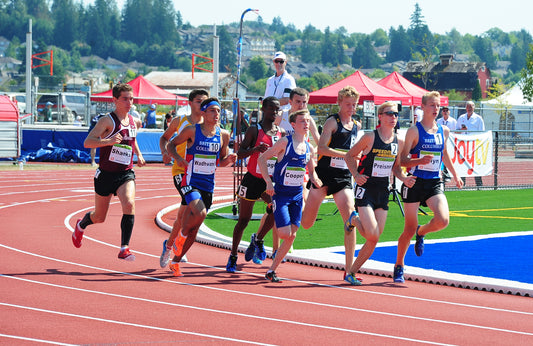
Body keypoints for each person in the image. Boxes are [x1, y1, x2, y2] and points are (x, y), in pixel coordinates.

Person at [393, 91, 463, 283]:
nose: (436, 109)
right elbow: (403, 160)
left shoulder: (443, 130)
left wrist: (455, 174)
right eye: (432, 105)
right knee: (408, 229)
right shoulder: (414, 131)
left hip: (434, 182)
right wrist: (419, 159)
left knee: (443, 220)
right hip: (415, 182)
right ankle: (399, 265)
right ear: (422, 107)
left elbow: (445, 154)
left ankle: (421, 232)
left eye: (438, 105)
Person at [344, 102, 416, 285]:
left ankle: (351, 272)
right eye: (389, 113)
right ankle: (354, 219)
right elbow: (349, 156)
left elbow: (397, 168)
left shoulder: (398, 142)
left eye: (396, 114)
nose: (394, 117)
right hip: (365, 189)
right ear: (380, 116)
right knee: (373, 235)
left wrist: (404, 178)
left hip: (383, 191)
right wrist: (356, 174)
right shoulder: (369, 137)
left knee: (374, 239)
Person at [72, 83, 146, 261]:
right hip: (105, 174)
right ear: (115, 100)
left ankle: (124, 248)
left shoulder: (135, 121)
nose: (129, 102)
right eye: (125, 99)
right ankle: (81, 225)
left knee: (129, 204)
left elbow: (131, 139)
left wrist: (139, 155)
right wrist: (108, 141)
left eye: (131, 99)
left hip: (125, 173)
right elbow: (87, 142)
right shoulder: (107, 121)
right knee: (99, 217)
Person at [165, 97, 236, 276]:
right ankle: (180, 237)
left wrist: (229, 160)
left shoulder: (224, 135)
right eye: (212, 110)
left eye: (218, 111)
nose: (216, 114)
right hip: (190, 182)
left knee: (194, 229)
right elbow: (171, 144)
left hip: (208, 185)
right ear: (203, 113)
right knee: (201, 212)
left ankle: (176, 261)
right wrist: (178, 159)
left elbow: (220, 162)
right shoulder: (191, 130)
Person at [301, 85, 364, 281]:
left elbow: (357, 151)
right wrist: (345, 154)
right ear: (339, 103)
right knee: (307, 224)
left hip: (343, 178)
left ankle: (349, 270)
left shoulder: (357, 126)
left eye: (354, 105)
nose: (351, 108)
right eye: (347, 104)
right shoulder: (332, 122)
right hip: (324, 176)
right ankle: (298, 202)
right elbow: (321, 148)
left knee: (350, 220)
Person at [258, 109, 321, 282]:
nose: (306, 123)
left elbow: (312, 172)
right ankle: (259, 239)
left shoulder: (309, 148)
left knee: (292, 235)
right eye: (302, 121)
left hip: (297, 195)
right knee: (286, 234)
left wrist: (317, 182)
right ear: (293, 124)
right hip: (280, 194)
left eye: (308, 121)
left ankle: (272, 270)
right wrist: (268, 182)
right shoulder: (285, 142)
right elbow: (262, 159)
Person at [225, 96, 285, 273]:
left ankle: (257, 240)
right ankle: (233, 256)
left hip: (269, 181)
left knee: (275, 210)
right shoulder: (254, 130)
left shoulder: (279, 132)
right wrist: (255, 150)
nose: (274, 112)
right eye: (271, 109)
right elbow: (240, 153)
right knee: (243, 220)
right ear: (263, 108)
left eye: (277, 110)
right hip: (252, 179)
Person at [159, 89, 209, 268]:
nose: (201, 105)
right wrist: (166, 153)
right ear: (189, 103)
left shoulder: (208, 125)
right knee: (191, 211)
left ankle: (170, 244)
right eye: (198, 101)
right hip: (180, 172)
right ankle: (176, 244)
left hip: (199, 176)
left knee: (182, 216)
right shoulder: (180, 122)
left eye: (204, 102)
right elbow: (164, 138)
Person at [456, 101, 485, 187]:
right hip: (463, 145)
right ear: (465, 108)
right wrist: (462, 130)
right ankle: (462, 184)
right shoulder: (461, 118)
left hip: (474, 145)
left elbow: (482, 133)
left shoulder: (478, 119)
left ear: (474, 108)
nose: (469, 108)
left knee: (475, 165)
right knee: (462, 165)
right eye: (468, 107)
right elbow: (456, 131)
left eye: (471, 106)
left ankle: (479, 185)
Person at [436, 106, 456, 182]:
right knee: (442, 156)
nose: (445, 112)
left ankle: (448, 174)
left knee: (448, 157)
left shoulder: (453, 121)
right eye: (443, 110)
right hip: (442, 142)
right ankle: (444, 174)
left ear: (449, 111)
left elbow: (456, 131)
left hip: (451, 142)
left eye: (446, 110)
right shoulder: (439, 121)